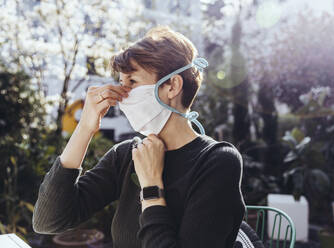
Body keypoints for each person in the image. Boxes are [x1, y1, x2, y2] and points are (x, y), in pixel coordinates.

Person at [32, 25, 246, 248]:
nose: (123, 95)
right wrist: (85, 128)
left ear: (172, 85)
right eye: (121, 83)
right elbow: (48, 220)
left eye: (132, 82)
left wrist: (151, 186)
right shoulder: (127, 155)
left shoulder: (217, 162)